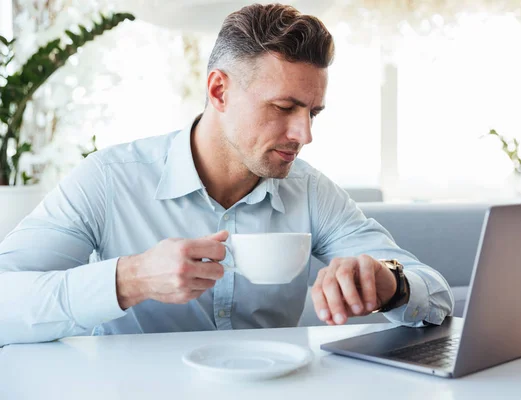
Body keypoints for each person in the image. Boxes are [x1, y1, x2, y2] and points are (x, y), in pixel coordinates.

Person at [0, 4, 453, 346]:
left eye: (313, 112)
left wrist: (390, 283)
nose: (305, 134)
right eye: (284, 108)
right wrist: (130, 279)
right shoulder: (107, 179)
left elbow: (435, 295)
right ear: (219, 90)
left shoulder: (311, 191)